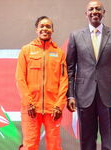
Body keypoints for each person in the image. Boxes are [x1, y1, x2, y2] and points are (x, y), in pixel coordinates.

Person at [66, 0, 111, 150]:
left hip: (109, 94)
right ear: (86, 13)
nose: (95, 11)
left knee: (109, 139)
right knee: (87, 139)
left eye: (98, 9)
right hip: (84, 94)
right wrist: (71, 95)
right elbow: (70, 69)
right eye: (91, 9)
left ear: (103, 13)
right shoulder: (75, 36)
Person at [16, 16, 68, 150]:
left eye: (48, 26)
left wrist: (59, 105)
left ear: (52, 30)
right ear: (36, 29)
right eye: (42, 26)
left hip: (53, 109)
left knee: (54, 146)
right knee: (30, 145)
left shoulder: (59, 53)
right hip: (31, 109)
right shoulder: (26, 51)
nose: (45, 29)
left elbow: (64, 81)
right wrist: (29, 103)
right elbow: (20, 79)